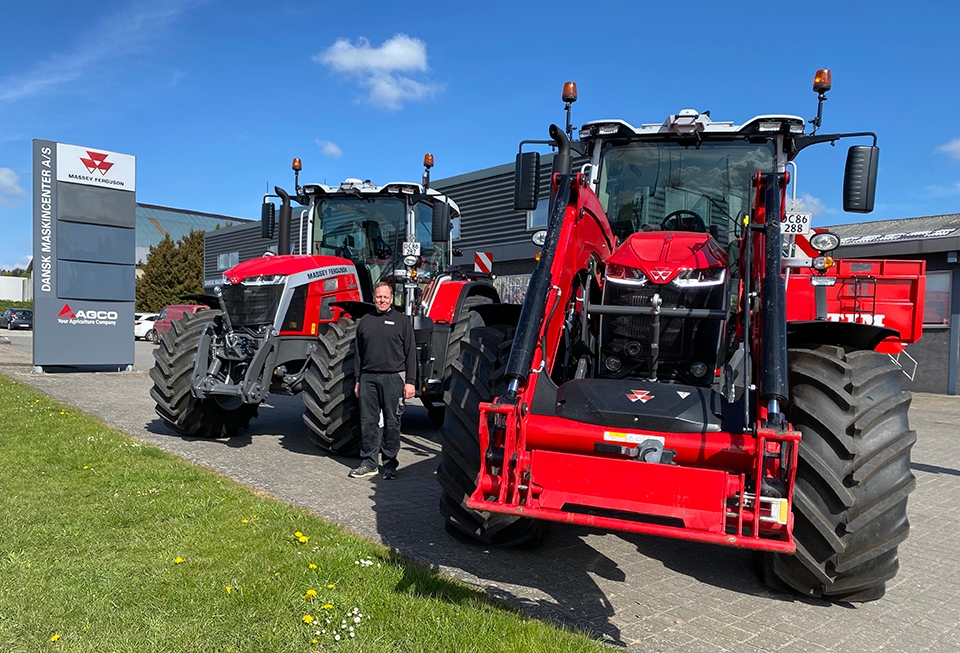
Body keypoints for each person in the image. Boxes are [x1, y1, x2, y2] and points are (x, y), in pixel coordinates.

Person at [349, 282, 416, 480]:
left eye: (386, 297)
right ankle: (369, 462)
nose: (382, 300)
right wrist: (358, 380)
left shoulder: (402, 321)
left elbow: (410, 353)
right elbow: (358, 354)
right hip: (368, 377)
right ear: (373, 297)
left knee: (392, 422)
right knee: (368, 422)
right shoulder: (365, 321)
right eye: (379, 297)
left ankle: (389, 464)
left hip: (394, 377)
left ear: (391, 298)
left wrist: (410, 381)